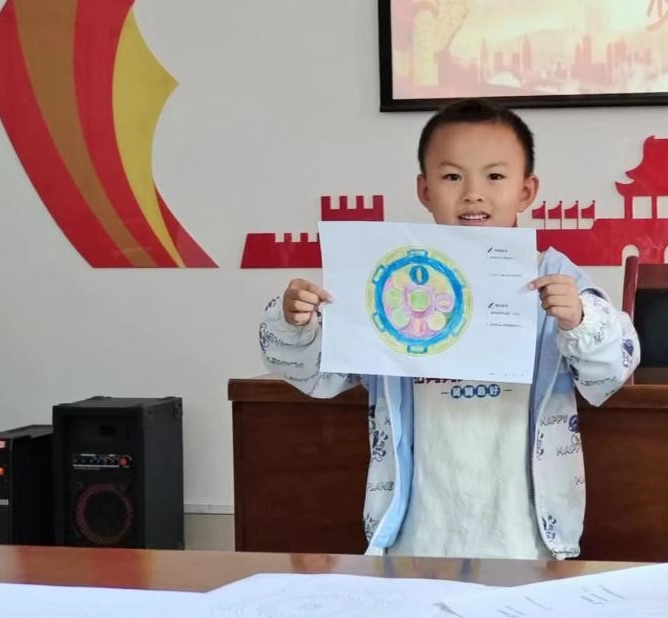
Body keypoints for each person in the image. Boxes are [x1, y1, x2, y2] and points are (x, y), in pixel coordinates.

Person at [259, 99, 640, 560]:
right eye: (452, 176)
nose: (473, 194)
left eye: (494, 176)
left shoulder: (556, 279)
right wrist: (296, 324)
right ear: (424, 189)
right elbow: (320, 376)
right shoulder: (387, 277)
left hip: (526, 537)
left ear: (527, 190)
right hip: (417, 534)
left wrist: (579, 319)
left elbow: (613, 370)